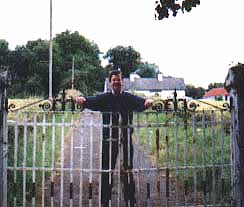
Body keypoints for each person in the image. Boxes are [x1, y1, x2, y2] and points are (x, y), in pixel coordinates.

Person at [76, 70, 153, 207]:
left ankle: (130, 200)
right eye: (114, 80)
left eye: (119, 80)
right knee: (107, 170)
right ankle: (105, 201)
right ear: (110, 82)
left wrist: (148, 101)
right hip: (109, 140)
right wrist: (82, 99)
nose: (117, 82)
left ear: (122, 82)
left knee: (127, 170)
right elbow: (90, 101)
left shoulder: (128, 98)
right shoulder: (104, 98)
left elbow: (142, 103)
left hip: (125, 138)